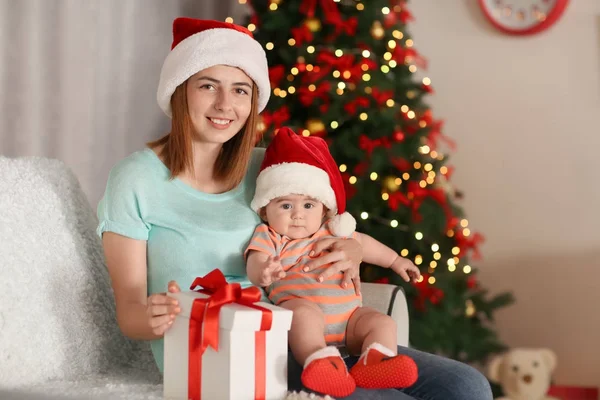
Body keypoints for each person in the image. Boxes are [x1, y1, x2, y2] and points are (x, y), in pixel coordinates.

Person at [97, 16, 493, 400]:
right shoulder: (136, 179)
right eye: (208, 85)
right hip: (226, 355)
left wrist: (352, 249)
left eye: (240, 90)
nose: (225, 104)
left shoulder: (268, 168)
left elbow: (326, 225)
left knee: (467, 387)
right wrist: (152, 317)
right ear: (179, 89)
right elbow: (130, 312)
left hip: (316, 329)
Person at [245, 126, 422, 398]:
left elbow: (364, 244)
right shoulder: (270, 236)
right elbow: (255, 260)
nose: (297, 215)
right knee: (303, 315)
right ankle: (320, 362)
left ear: (324, 209)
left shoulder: (334, 230)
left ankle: (374, 360)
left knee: (382, 323)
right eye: (285, 205)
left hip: (351, 320)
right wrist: (263, 272)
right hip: (304, 315)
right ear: (265, 211)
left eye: (308, 205)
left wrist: (396, 261)